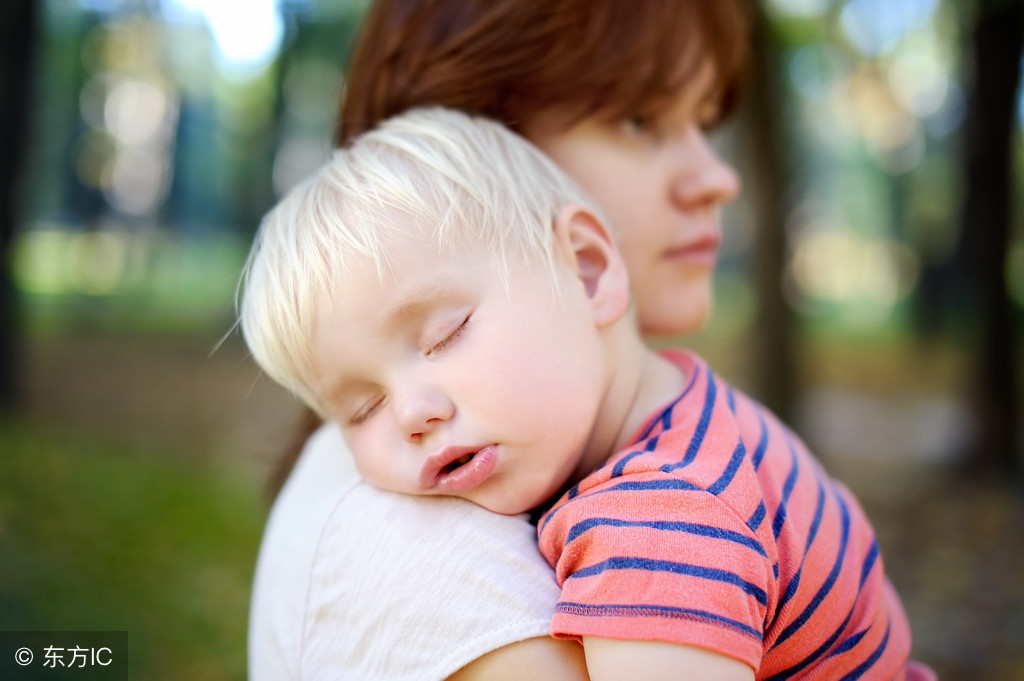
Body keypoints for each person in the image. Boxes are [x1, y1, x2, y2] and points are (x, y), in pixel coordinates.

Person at [239, 107, 923, 680]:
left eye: (445, 334)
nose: (413, 412)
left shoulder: (661, 520)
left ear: (588, 269)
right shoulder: (696, 408)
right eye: (361, 408)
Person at [247, 2, 756, 679]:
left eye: (702, 121)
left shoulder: (670, 460)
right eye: (639, 119)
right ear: (480, 135)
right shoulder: (422, 552)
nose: (718, 178)